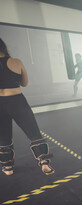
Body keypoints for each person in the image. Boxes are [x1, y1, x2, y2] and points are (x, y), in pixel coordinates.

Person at [0, 38, 54, 176]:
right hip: (17, 101)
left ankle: (8, 168)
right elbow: (25, 83)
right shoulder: (16, 61)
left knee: (4, 138)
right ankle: (44, 163)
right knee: (34, 133)